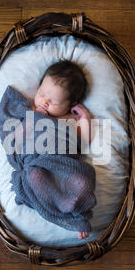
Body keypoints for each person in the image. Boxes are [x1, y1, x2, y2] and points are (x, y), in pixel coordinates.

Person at [30, 60, 93, 239]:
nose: (44, 102)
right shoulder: (33, 111)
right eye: (41, 93)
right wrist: (35, 119)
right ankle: (61, 211)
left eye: (54, 102)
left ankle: (79, 213)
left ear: (70, 104)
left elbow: (84, 142)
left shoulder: (70, 120)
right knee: (34, 176)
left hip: (66, 166)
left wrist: (85, 118)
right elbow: (22, 138)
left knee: (83, 181)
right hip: (42, 163)